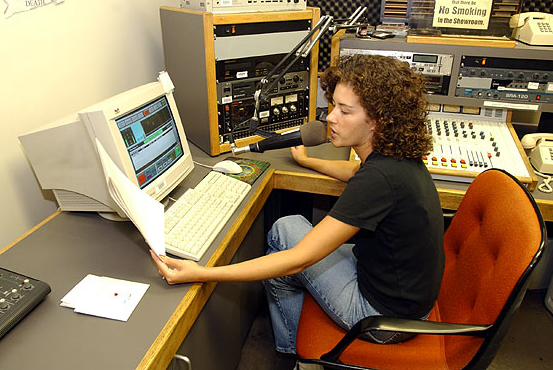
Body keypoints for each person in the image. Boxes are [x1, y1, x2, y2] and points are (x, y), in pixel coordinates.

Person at [151, 54, 445, 359]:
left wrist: (204, 272)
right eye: (334, 106)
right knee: (285, 227)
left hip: (383, 319)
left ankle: (300, 357)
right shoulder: (393, 158)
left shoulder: (380, 179)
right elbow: (353, 173)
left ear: (379, 120)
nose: (330, 117)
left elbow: (299, 260)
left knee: (281, 260)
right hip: (401, 294)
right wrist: (306, 161)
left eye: (345, 111)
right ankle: (296, 348)